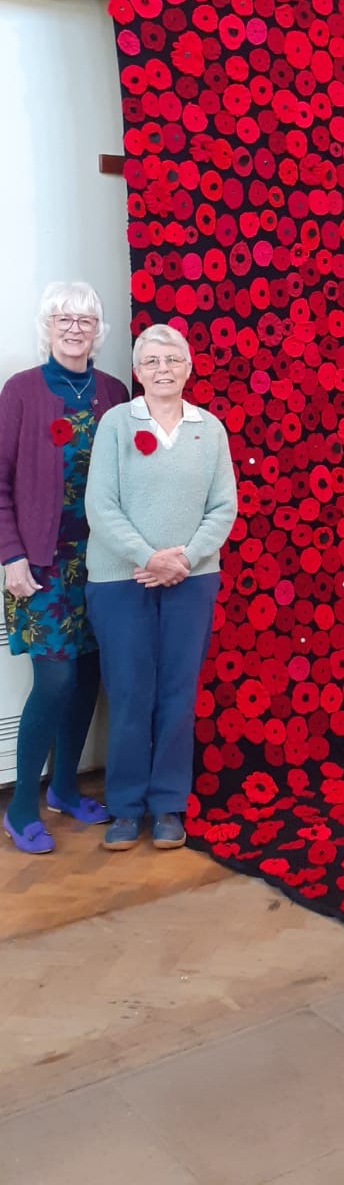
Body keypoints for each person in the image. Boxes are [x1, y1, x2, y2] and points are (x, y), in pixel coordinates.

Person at [85, 324, 237, 850]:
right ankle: (126, 807)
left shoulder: (209, 428)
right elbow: (100, 505)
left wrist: (184, 559)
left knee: (177, 693)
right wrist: (148, 557)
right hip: (120, 580)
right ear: (137, 371)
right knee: (129, 693)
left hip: (192, 581)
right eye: (150, 362)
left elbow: (224, 507)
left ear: (189, 367)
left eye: (172, 360)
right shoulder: (115, 425)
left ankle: (169, 805)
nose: (162, 369)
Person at [0, 282, 128, 854]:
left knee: (88, 680)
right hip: (40, 564)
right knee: (54, 681)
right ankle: (24, 803)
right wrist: (11, 556)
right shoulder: (21, 391)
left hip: (102, 563)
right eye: (63, 318)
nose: (74, 328)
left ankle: (67, 789)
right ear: (47, 327)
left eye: (85, 319)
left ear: (98, 330)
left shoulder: (114, 391)